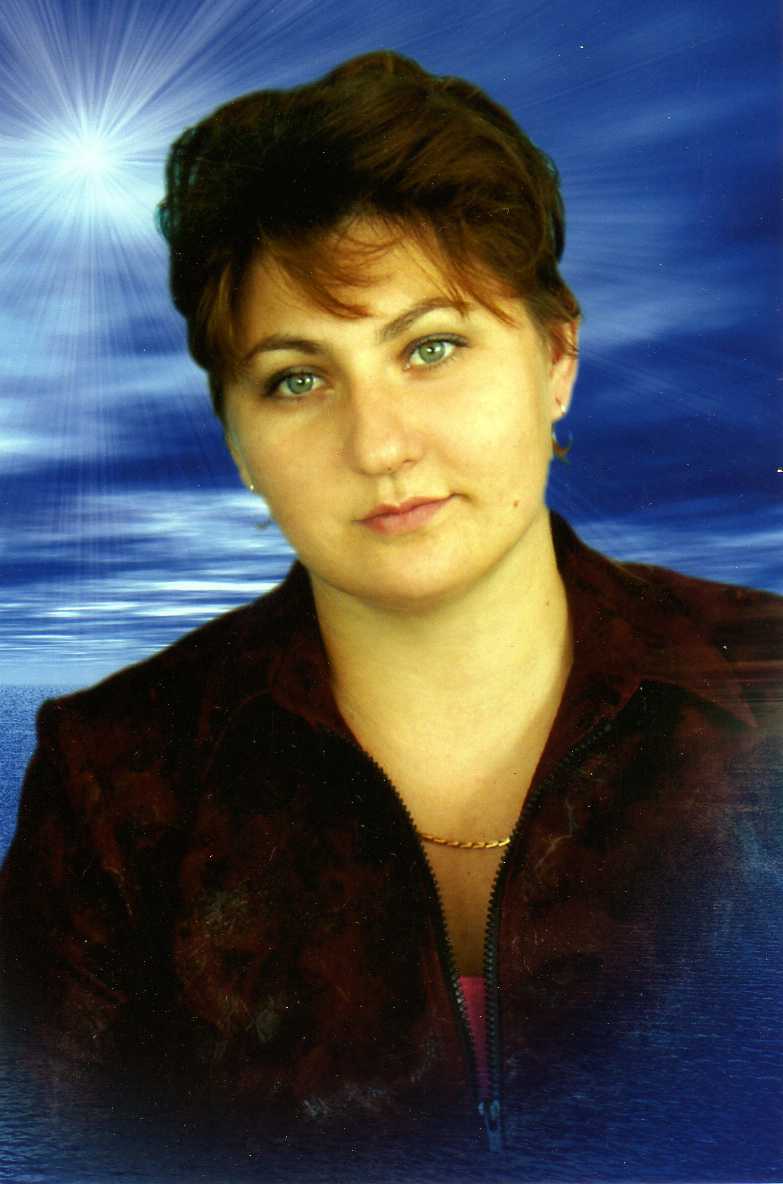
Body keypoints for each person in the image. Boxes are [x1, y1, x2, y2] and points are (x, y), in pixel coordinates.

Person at [1, 50, 781, 1182]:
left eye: (432, 346)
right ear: (237, 438)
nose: (378, 445)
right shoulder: (113, 782)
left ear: (555, 359)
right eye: (297, 378)